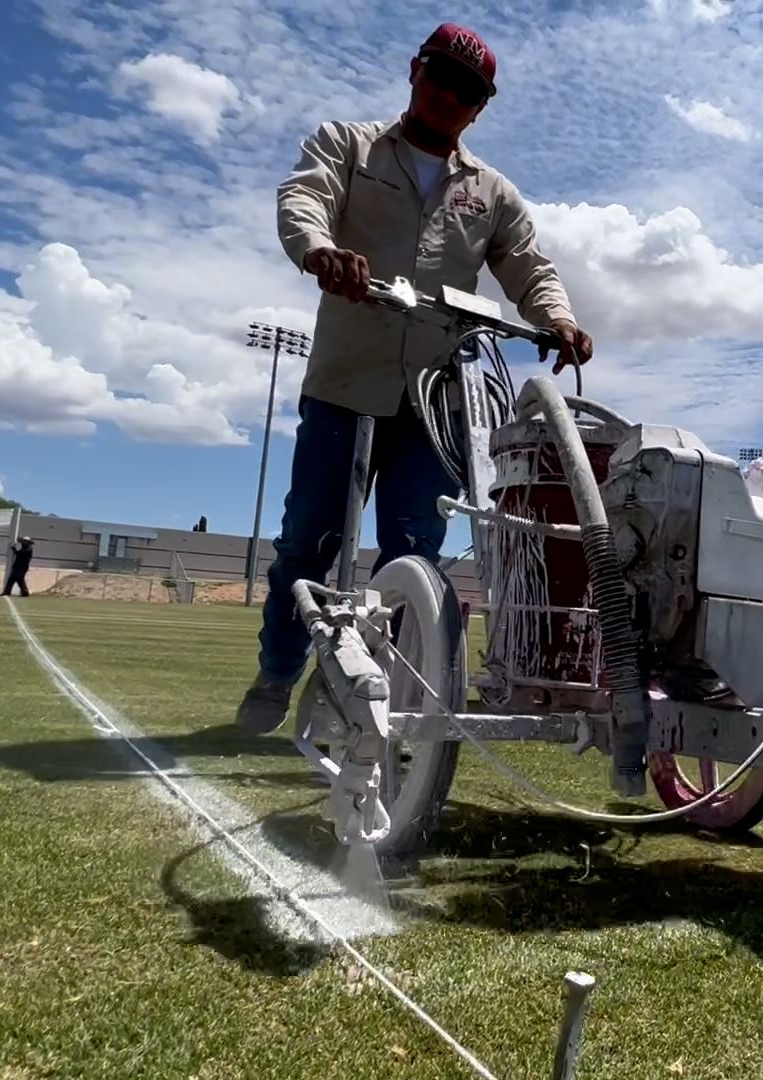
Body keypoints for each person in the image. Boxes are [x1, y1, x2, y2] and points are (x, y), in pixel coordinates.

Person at [236, 22, 594, 733]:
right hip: (345, 384)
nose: (449, 96)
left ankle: (393, 710)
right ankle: (278, 672)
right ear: (414, 71)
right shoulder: (349, 144)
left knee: (414, 558)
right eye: (440, 77)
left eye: (469, 91)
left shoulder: (491, 192)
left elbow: (527, 264)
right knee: (307, 542)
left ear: (480, 107)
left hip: (434, 404)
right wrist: (319, 251)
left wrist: (557, 316)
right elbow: (303, 198)